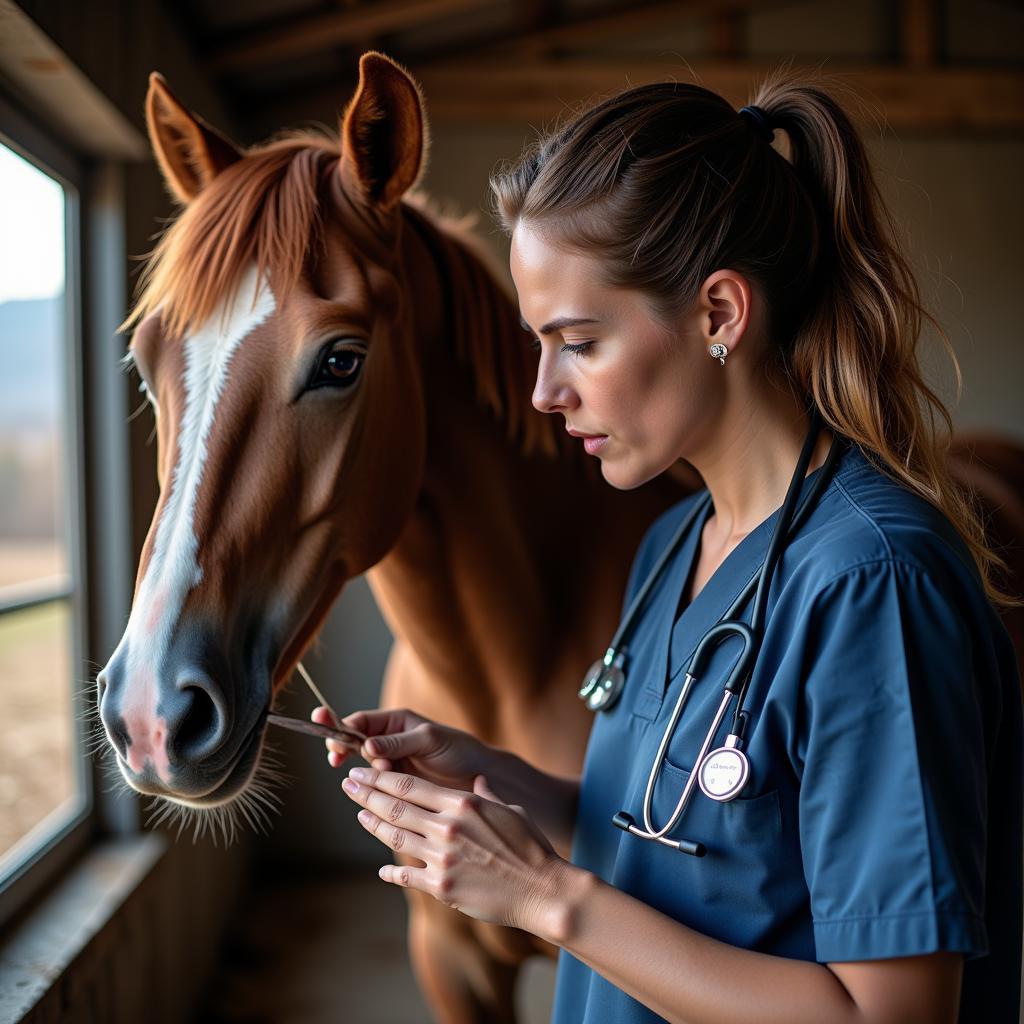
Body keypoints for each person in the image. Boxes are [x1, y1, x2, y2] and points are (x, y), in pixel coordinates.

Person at [313, 69, 1023, 1023]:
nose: (542, 392)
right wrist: (499, 780)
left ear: (720, 315)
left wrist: (543, 898)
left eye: (579, 342)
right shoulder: (672, 545)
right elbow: (687, 841)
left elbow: (887, 1015)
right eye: (537, 343)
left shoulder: (872, 586)